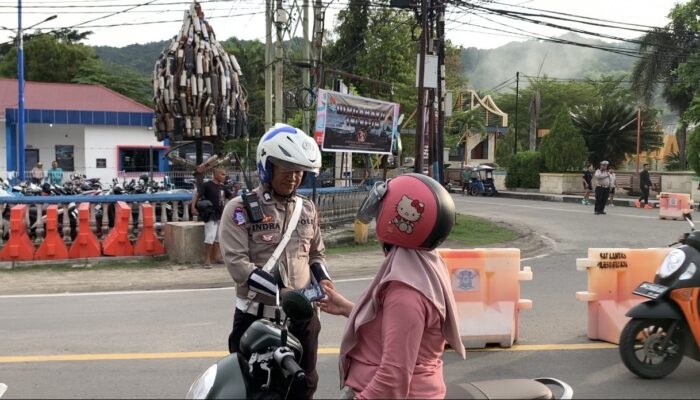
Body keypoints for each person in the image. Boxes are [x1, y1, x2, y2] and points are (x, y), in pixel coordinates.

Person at [318, 173, 466, 399]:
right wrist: (348, 308)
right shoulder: (426, 266)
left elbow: (392, 379)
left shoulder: (406, 292)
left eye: (380, 214)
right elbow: (395, 328)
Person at [218, 123, 328, 399]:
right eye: (286, 169)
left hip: (302, 320)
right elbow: (238, 265)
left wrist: (324, 281)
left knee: (304, 384)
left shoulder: (308, 208)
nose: (293, 178)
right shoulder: (240, 209)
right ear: (268, 167)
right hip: (255, 319)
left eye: (299, 171)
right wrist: (282, 293)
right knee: (250, 388)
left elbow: (315, 253)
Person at [191, 167, 229, 267]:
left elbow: (231, 197)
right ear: (215, 175)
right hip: (210, 214)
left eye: (224, 174)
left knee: (218, 237)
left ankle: (217, 257)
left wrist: (236, 190)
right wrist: (193, 207)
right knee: (210, 237)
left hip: (221, 214)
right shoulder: (207, 185)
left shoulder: (223, 187)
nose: (224, 176)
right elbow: (197, 195)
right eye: (222, 174)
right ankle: (206, 260)